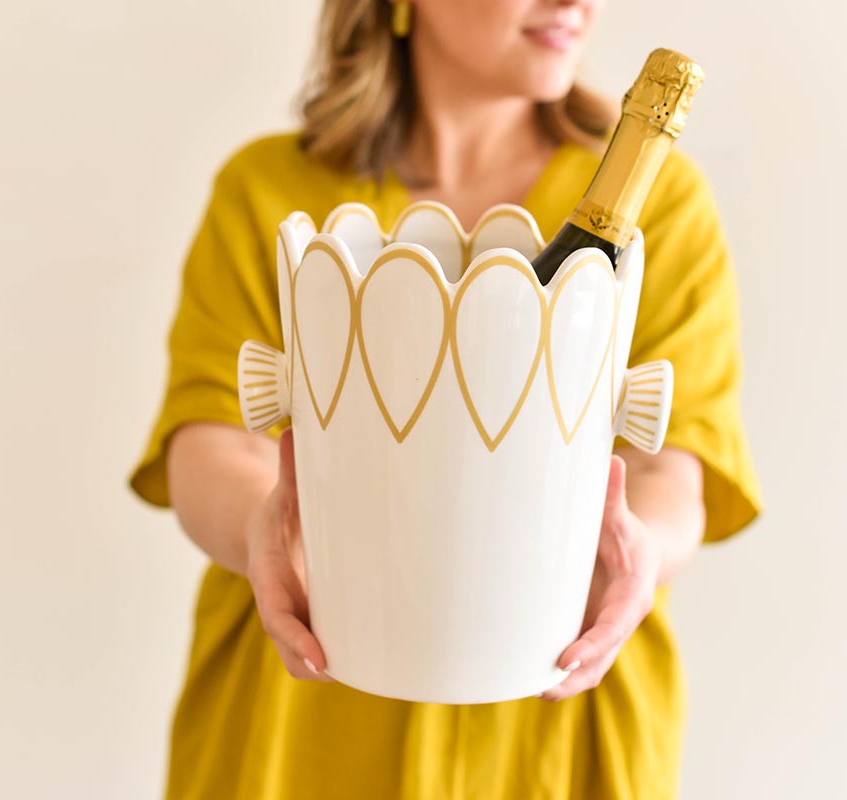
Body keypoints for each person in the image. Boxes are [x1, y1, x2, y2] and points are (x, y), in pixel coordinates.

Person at [127, 0, 763, 796]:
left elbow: (674, 472)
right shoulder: (265, 194)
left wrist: (636, 559)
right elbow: (211, 444)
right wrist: (272, 532)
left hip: (555, 720)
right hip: (303, 711)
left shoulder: (659, 210)